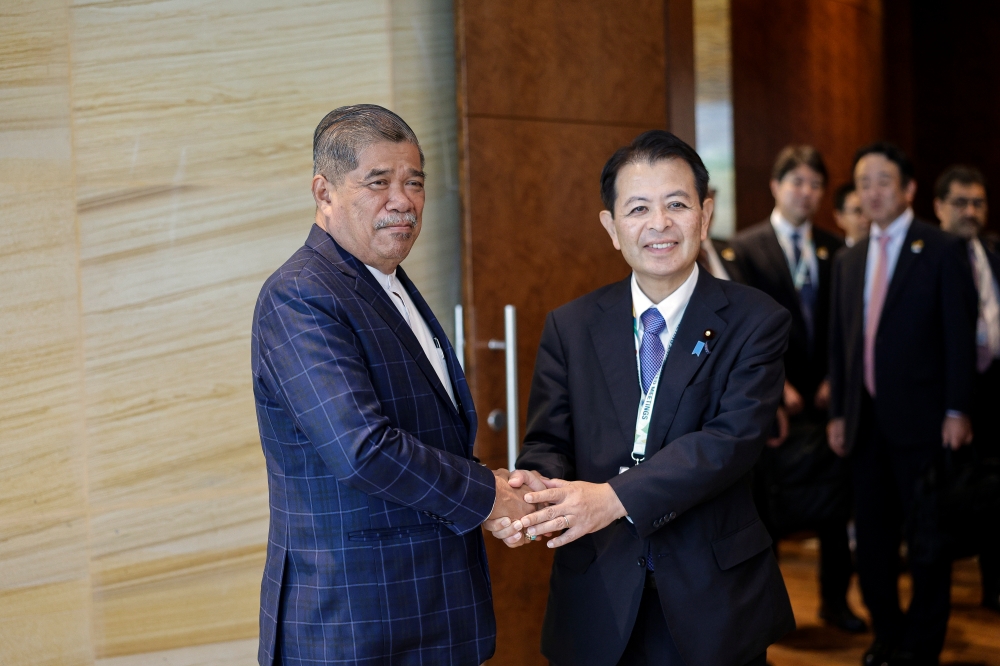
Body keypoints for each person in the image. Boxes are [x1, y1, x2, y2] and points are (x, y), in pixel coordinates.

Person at [486, 130, 795, 666]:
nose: (659, 224)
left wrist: (612, 498)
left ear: (705, 214)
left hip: (711, 596)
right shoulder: (571, 325)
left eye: (677, 204)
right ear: (612, 227)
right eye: (638, 209)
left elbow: (730, 441)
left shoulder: (756, 320)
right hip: (598, 592)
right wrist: (533, 492)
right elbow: (548, 441)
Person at [250, 104, 535, 665]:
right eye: (378, 182)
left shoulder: (387, 282)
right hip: (354, 622)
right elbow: (362, 449)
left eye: (414, 183)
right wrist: (488, 494)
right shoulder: (301, 294)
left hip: (423, 612)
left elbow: (424, 433)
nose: (402, 201)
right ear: (324, 192)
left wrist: (491, 484)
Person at [828, 143, 977, 666]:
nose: (872, 192)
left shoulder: (940, 248)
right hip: (865, 424)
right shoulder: (848, 259)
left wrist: (958, 409)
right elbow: (842, 344)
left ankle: (921, 645)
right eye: (863, 182)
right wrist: (839, 412)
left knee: (928, 540)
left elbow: (959, 335)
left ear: (909, 189)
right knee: (872, 540)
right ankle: (887, 633)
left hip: (925, 422)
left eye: (883, 181)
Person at [732, 146, 863, 633]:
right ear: (775, 185)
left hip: (827, 396)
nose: (806, 192)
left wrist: (835, 378)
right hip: (773, 401)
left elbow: (846, 324)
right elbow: (744, 328)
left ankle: (836, 601)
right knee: (768, 507)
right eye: (797, 182)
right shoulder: (745, 248)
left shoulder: (835, 246)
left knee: (835, 501)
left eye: (815, 184)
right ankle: (769, 614)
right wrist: (777, 383)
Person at [933, 164, 1000, 613]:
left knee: (995, 492)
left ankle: (994, 583)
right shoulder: (929, 259)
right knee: (947, 498)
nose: (971, 211)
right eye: (960, 202)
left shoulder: (992, 253)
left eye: (978, 202)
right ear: (939, 206)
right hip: (943, 398)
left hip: (993, 390)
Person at [699, 186, 744, 282]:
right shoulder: (675, 255)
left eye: (711, 213)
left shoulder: (731, 249)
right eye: (702, 214)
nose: (706, 220)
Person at [834, 182, 871, 248]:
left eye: (868, 209)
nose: (866, 218)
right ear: (839, 218)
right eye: (857, 211)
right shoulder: (835, 252)